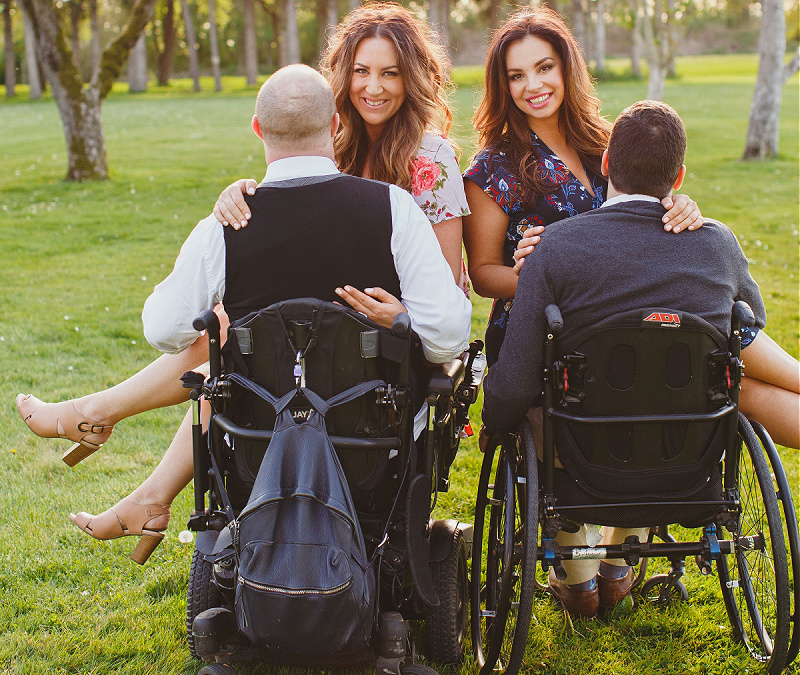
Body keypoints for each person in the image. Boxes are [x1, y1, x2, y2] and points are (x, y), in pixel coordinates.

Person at [19, 65, 471, 560]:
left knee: (222, 333)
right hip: (369, 437)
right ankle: (108, 436)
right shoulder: (394, 207)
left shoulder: (228, 223)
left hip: (257, 437)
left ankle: (98, 422)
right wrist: (401, 315)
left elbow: (162, 329)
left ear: (257, 128)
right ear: (337, 124)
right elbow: (448, 336)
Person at [482, 100, 770, 619]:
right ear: (678, 176)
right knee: (656, 400)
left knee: (534, 406)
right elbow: (751, 322)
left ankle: (579, 582)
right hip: (689, 447)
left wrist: (494, 418)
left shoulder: (557, 246)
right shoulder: (717, 245)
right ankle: (619, 570)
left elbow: (518, 374)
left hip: (583, 448)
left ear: (607, 164)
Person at [463, 7, 799, 448]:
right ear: (502, 85)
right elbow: (484, 275)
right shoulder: (493, 169)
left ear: (567, 68)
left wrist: (681, 206)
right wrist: (533, 276)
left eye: (545, 68)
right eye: (516, 76)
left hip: (646, 311)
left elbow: (647, 200)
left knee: (735, 373)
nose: (534, 86)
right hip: (551, 327)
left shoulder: (607, 141)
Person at [215, 2, 469, 287]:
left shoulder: (432, 159)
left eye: (390, 73)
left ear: (411, 79)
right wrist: (240, 193)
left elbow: (447, 283)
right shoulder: (327, 144)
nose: (373, 88)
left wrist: (400, 316)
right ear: (344, 72)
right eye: (361, 71)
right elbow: (285, 211)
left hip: (403, 319)